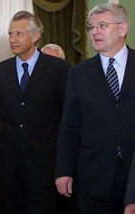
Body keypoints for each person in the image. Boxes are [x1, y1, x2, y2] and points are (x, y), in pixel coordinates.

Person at [55, 3, 134, 214]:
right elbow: (69, 126)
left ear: (123, 28)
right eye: (91, 27)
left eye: (102, 25)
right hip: (93, 179)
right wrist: (63, 171)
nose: (95, 32)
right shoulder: (79, 74)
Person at [0, 11, 69, 213]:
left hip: (44, 166)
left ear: (35, 36)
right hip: (8, 168)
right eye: (10, 34)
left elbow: (64, 118)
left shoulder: (58, 69)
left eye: (19, 34)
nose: (13, 39)